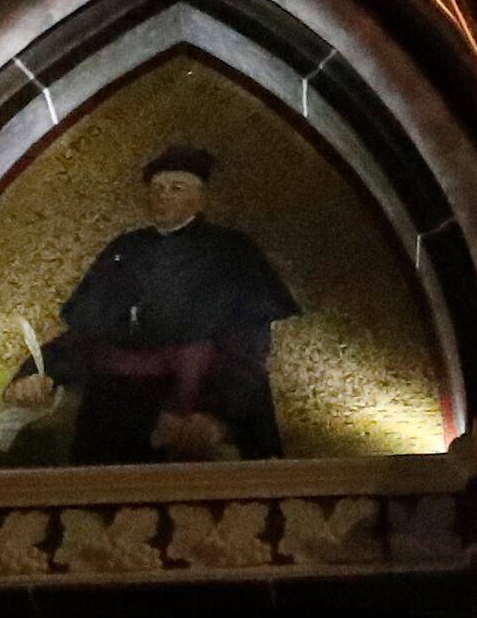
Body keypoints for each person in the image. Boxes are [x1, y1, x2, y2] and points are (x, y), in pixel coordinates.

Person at [17, 144, 297, 463]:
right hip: (121, 409)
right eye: (157, 189)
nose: (163, 196)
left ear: (200, 198)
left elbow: (247, 350)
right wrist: (39, 373)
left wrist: (216, 416)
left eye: (176, 188)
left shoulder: (232, 252)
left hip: (211, 402)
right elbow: (86, 337)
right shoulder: (125, 250)